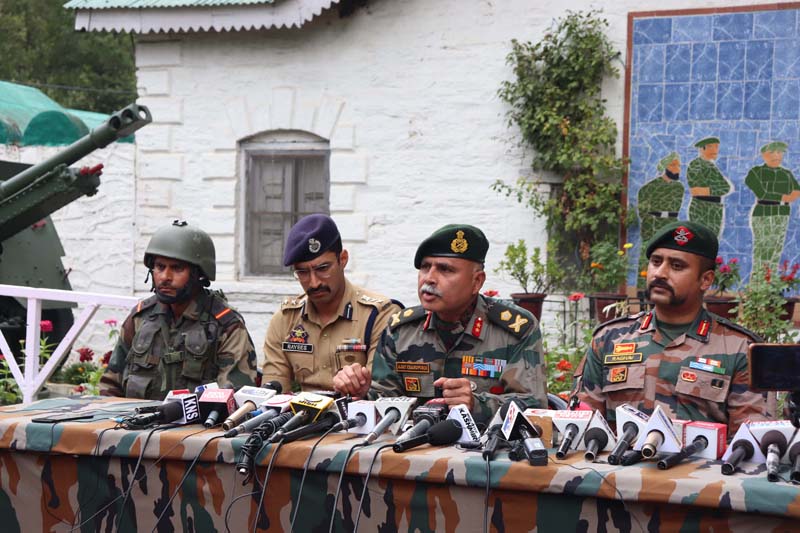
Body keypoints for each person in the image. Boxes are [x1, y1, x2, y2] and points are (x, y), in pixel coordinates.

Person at [333, 224, 548, 426]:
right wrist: (362, 393)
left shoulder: (514, 329)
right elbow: (387, 399)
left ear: (477, 282)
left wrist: (477, 405)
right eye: (425, 267)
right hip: (413, 447)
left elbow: (534, 407)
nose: (429, 278)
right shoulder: (402, 330)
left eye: (445, 270)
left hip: (488, 449)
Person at [576, 221, 774, 437]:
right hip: (619, 459)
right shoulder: (609, 339)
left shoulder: (740, 349)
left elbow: (750, 441)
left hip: (699, 460)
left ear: (706, 280)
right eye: (656, 262)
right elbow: (583, 427)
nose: (660, 273)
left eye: (677, 266)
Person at [100, 220, 257, 399]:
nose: (165, 277)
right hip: (135, 416)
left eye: (177, 268)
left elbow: (233, 396)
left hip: (198, 418)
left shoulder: (226, 325)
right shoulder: (140, 318)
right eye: (160, 267)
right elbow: (110, 385)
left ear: (198, 274)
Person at [262, 214, 400, 393]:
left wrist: (360, 391)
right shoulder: (285, 319)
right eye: (302, 272)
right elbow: (273, 393)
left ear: (343, 259)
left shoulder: (379, 315)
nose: (314, 283)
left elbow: (381, 392)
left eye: (323, 269)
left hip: (356, 409)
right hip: (297, 411)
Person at [745, 141, 800, 269]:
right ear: (764, 155)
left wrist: (788, 197)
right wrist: (783, 197)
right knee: (763, 249)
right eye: (772, 152)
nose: (776, 156)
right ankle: (758, 279)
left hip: (782, 213)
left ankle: (771, 279)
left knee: (776, 250)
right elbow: (761, 193)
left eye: (779, 152)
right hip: (763, 213)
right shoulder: (756, 172)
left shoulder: (786, 173)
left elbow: (796, 191)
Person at [637, 151, 685, 286]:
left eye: (679, 166)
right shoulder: (649, 188)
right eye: (674, 165)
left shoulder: (678, 188)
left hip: (671, 222)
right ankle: (643, 287)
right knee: (648, 253)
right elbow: (643, 212)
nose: (677, 169)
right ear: (666, 166)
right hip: (653, 223)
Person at [687, 136, 732, 238]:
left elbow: (726, 187)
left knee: (712, 239)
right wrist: (713, 190)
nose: (716, 150)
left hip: (714, 208)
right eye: (712, 147)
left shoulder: (711, 166)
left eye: (717, 147)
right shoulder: (696, 165)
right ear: (703, 149)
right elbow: (696, 191)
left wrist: (709, 190)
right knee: (701, 238)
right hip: (702, 207)